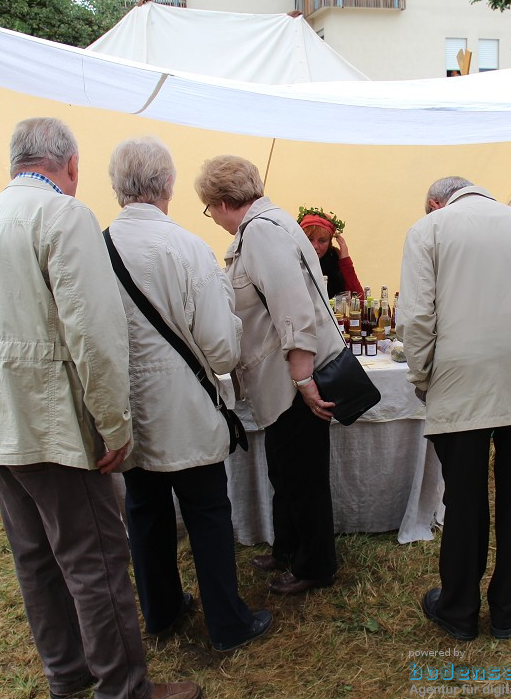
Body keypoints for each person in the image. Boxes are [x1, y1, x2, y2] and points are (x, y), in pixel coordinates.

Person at [0, 117, 199, 699]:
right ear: (70, 165)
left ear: (16, 163)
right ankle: (124, 687)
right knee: (95, 559)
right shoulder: (63, 216)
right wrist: (113, 423)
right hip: (52, 422)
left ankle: (68, 675)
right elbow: (94, 331)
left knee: (36, 558)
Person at [105, 136, 271, 652]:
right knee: (206, 514)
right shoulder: (188, 248)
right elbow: (221, 350)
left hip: (126, 410)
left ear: (116, 188)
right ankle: (227, 622)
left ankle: (160, 611)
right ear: (169, 187)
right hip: (186, 409)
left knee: (146, 512)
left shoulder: (95, 246)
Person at [399, 176, 511, 641]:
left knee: (463, 498)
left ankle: (457, 610)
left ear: (435, 203)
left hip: (462, 378)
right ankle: (507, 611)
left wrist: (422, 378)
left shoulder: (429, 229)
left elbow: (416, 317)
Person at [195, 155, 343, 596]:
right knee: (286, 470)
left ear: (221, 202)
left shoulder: (261, 231)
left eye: (209, 209)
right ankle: (288, 550)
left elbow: (293, 306)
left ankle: (316, 565)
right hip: (280, 379)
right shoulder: (266, 224)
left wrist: (303, 378)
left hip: (291, 381)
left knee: (302, 476)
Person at [296, 207, 364, 298]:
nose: (315, 246)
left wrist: (345, 260)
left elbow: (360, 300)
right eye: (310, 240)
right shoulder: (294, 260)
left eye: (322, 241)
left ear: (330, 242)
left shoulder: (335, 259)